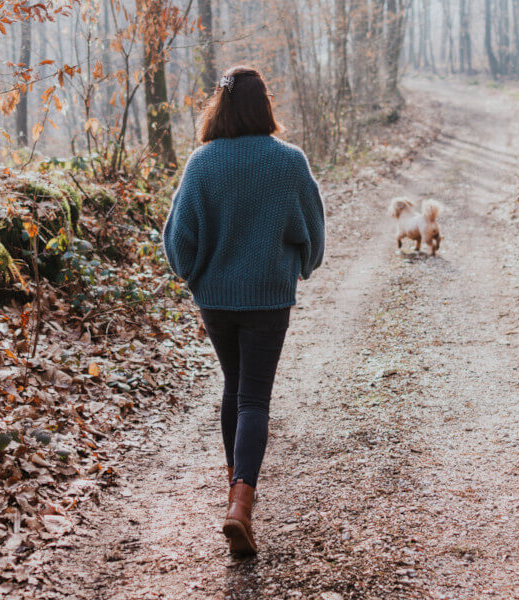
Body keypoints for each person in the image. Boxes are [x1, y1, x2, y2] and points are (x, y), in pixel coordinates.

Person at [163, 65, 325, 555]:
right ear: (265, 106)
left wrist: (192, 273)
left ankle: (236, 483)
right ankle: (240, 503)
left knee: (233, 387)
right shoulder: (288, 161)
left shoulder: (201, 163)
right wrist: (303, 264)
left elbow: (177, 240)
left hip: (215, 299)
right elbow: (313, 232)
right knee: (254, 397)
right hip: (269, 298)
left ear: (221, 106)